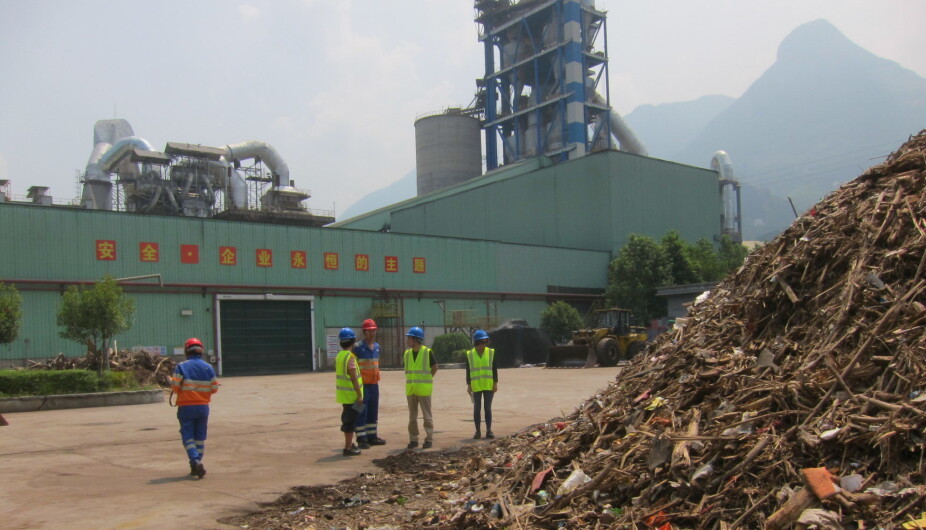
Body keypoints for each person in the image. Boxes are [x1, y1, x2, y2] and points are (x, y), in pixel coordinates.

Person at [170, 337, 219, 479]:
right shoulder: (208, 367)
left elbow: (175, 387)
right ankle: (196, 465)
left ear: (187, 351)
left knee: (188, 436)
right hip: (203, 407)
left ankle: (195, 460)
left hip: (186, 407)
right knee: (200, 437)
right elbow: (214, 388)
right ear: (201, 351)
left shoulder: (181, 366)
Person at [403, 326, 438, 449]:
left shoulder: (427, 352)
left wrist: (427, 379)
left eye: (409, 338)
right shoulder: (407, 354)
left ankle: (428, 439)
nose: (407, 340)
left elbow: (435, 368)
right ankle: (413, 439)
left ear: (416, 339)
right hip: (411, 390)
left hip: (424, 389)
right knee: (412, 417)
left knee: (427, 416)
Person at [354, 318, 386, 449]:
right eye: (369, 331)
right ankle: (361, 438)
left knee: (373, 410)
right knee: (361, 411)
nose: (372, 333)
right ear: (364, 332)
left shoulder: (377, 347)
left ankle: (372, 436)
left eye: (374, 331)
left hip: (374, 384)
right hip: (362, 386)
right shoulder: (357, 348)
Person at [335, 327, 364, 456]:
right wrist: (359, 395)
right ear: (353, 341)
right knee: (350, 422)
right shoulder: (350, 357)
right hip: (352, 396)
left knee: (349, 419)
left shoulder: (340, 356)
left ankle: (350, 443)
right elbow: (353, 377)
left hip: (344, 396)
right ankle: (348, 447)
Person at [465, 329, 498, 439]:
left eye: (485, 342)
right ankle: (477, 431)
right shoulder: (470, 354)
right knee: (477, 408)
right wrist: (468, 385)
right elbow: (468, 371)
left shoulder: (491, 352)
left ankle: (489, 430)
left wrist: (495, 383)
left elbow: (494, 369)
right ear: (476, 343)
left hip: (488, 384)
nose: (483, 345)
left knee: (487, 408)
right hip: (476, 385)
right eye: (481, 343)